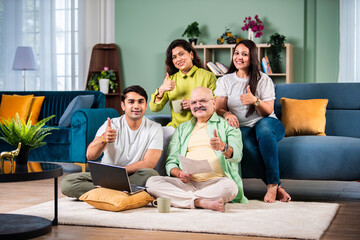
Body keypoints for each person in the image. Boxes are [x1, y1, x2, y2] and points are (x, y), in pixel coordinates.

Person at [146, 87, 248, 213]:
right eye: (193, 102)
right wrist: (179, 173)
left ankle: (181, 199)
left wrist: (223, 147)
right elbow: (171, 162)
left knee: (231, 187)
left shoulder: (228, 125)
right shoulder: (182, 129)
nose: (198, 105)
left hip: (217, 182)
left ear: (214, 103)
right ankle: (201, 202)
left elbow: (237, 156)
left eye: (203, 101)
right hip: (187, 184)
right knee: (152, 182)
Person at [214, 39, 291, 203]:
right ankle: (277, 186)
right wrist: (226, 113)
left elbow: (268, 111)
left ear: (252, 58)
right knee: (244, 141)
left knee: (263, 129)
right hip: (243, 128)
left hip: (268, 124)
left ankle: (271, 185)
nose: (239, 57)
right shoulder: (225, 80)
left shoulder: (263, 79)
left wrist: (255, 101)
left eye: (244, 54)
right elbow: (219, 108)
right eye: (236, 53)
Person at [61, 85, 163, 199]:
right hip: (106, 178)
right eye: (131, 102)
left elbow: (149, 164)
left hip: (132, 176)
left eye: (140, 102)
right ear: (123, 106)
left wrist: (120, 172)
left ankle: (105, 194)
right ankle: (122, 193)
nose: (136, 106)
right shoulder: (111, 125)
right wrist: (103, 139)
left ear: (146, 105)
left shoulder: (155, 128)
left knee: (151, 175)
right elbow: (90, 155)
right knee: (68, 183)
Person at [150, 39, 217, 131]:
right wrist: (161, 90)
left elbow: (217, 105)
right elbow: (154, 108)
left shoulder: (208, 76)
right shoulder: (171, 80)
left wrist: (195, 105)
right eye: (174, 57)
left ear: (191, 54)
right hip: (176, 128)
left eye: (181, 54)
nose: (178, 59)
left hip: (201, 127)